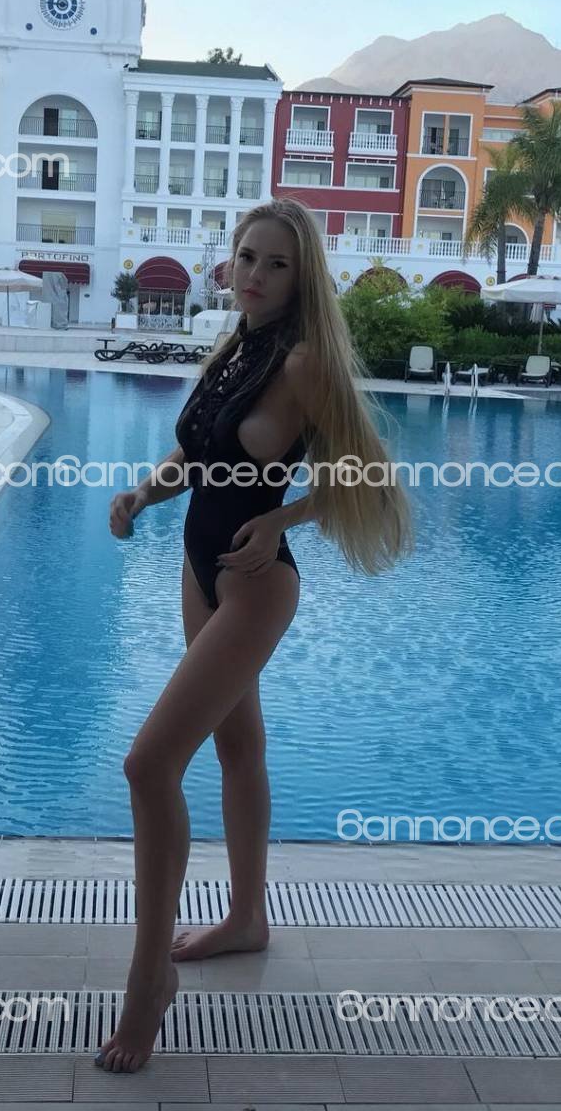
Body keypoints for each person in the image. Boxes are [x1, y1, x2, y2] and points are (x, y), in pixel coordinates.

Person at [99, 197, 413, 1072]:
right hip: (198, 566)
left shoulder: (304, 362)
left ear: (301, 277)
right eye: (247, 257)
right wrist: (144, 494)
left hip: (255, 584)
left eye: (277, 263)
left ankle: (148, 980)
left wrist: (283, 519)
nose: (257, 275)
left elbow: (369, 475)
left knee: (149, 766)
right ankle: (246, 917)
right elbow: (199, 457)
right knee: (238, 750)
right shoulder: (234, 347)